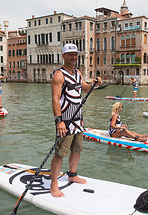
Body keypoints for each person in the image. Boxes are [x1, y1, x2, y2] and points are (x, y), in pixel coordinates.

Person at [50, 43, 102, 197]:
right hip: (65, 121)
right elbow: (55, 98)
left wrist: (95, 85)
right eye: (70, 54)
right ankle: (54, 184)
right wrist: (59, 121)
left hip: (78, 120)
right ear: (64, 56)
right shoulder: (59, 74)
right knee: (60, 153)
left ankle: (72, 175)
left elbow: (85, 88)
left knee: (77, 149)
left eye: (75, 54)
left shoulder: (78, 73)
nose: (73, 57)